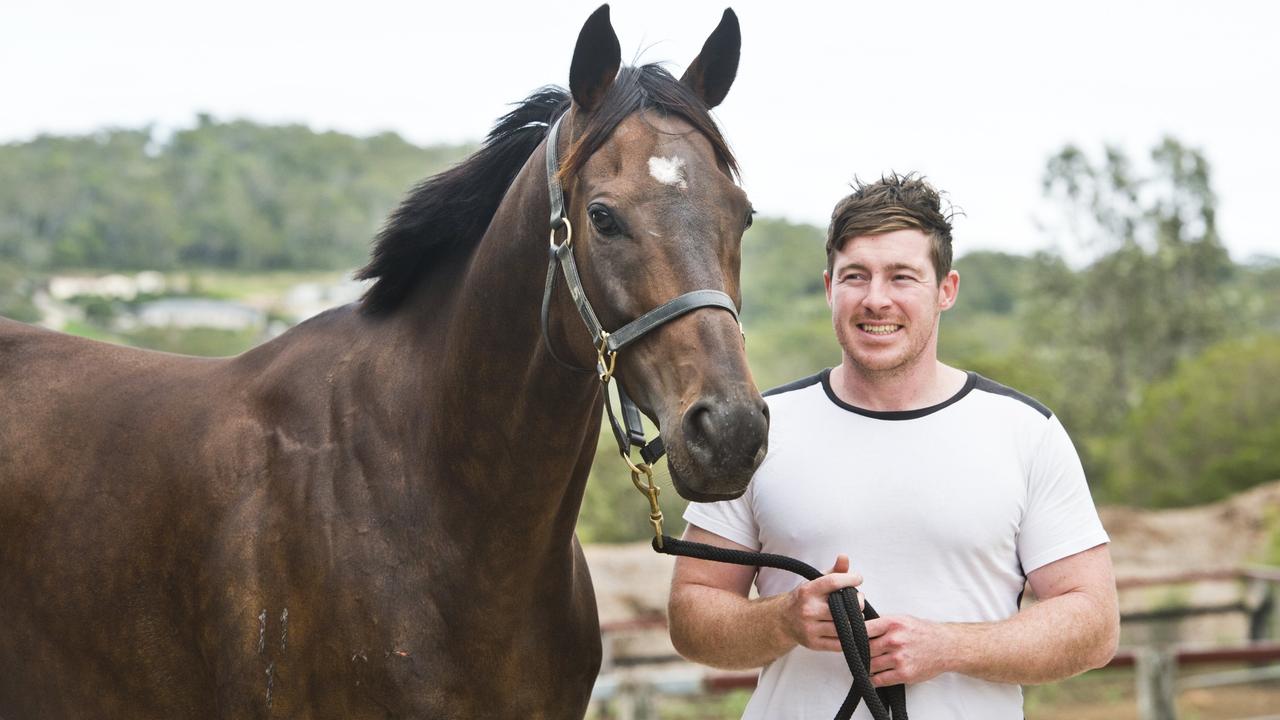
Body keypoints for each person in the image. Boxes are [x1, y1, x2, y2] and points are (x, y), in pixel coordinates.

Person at [667, 173, 1119, 718]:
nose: (876, 299)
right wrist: (783, 619)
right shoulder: (762, 427)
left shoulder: (1026, 431)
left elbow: (1094, 623)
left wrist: (950, 646)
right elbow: (692, 613)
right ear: (830, 287)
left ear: (945, 289)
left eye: (902, 277)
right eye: (855, 276)